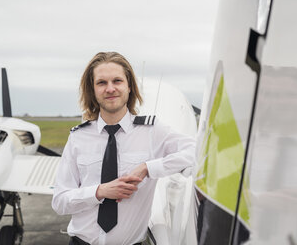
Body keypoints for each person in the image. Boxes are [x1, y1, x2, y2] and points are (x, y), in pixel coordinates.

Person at [52, 52, 196, 245]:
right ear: (92, 90)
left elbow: (197, 151)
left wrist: (148, 167)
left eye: (117, 81)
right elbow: (60, 201)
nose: (110, 88)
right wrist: (100, 191)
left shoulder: (152, 131)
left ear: (129, 86)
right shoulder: (78, 137)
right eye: (101, 83)